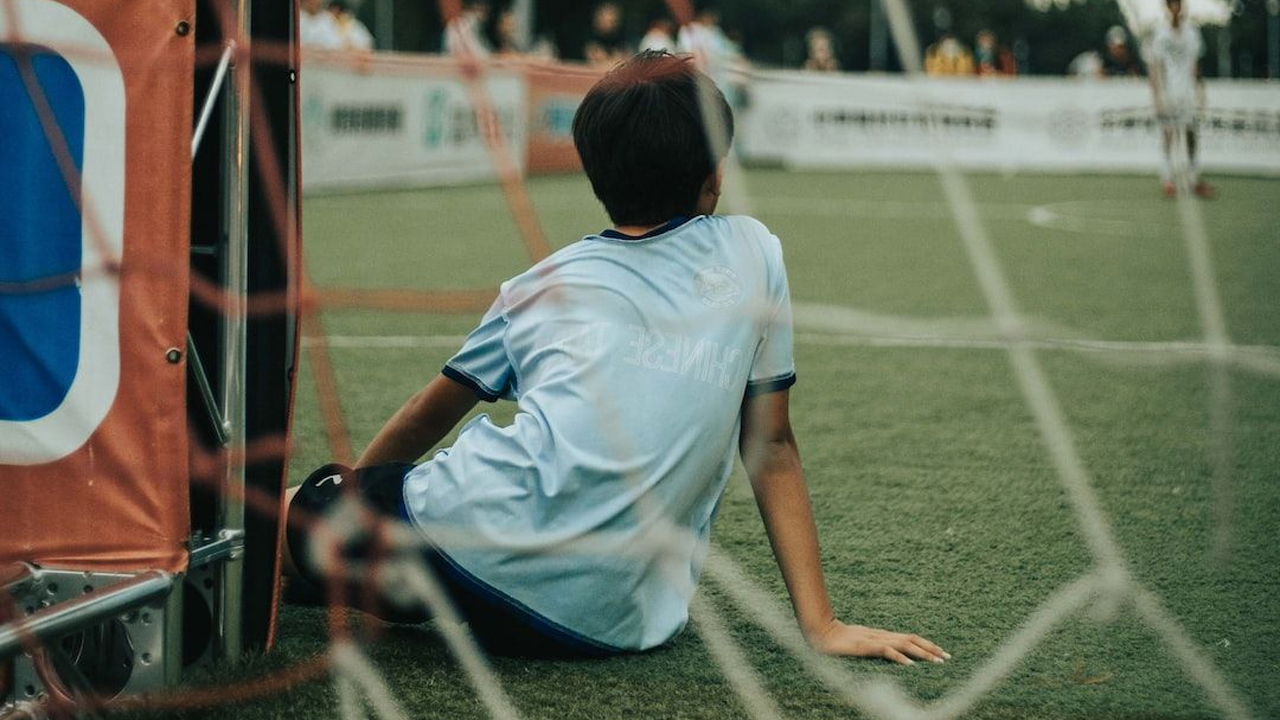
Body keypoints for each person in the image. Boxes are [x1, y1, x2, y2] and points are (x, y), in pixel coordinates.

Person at [283, 51, 951, 664]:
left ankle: (295, 557)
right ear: (714, 178)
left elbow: (424, 417)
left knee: (288, 517)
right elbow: (770, 445)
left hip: (480, 543)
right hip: (619, 623)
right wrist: (822, 626)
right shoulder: (755, 255)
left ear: (594, 172)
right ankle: (335, 571)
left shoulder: (542, 285)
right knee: (377, 567)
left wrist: (347, 495)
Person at [1146, 0, 1213, 197]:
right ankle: (1167, 180)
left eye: (1179, 4)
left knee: (1192, 135)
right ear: (1167, 8)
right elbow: (1156, 67)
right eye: (1172, 5)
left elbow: (1196, 65)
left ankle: (1193, 178)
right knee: (1169, 135)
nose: (1176, 9)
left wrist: (1201, 92)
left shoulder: (1192, 33)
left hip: (1188, 92)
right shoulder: (1160, 33)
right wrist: (1157, 96)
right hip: (1169, 92)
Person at [584, 2, 628, 66]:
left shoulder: (623, 44)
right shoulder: (591, 43)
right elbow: (594, 62)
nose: (610, 25)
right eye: (606, 21)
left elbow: (625, 60)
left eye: (612, 21)